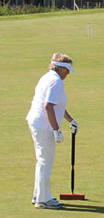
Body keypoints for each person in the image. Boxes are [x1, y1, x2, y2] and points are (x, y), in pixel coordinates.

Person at [26, 53, 79, 209]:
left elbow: (57, 105)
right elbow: (48, 106)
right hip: (44, 124)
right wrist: (56, 130)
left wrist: (71, 120)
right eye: (67, 71)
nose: (68, 74)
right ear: (61, 69)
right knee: (45, 160)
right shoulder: (56, 81)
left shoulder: (47, 77)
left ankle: (38, 193)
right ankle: (43, 200)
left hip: (37, 122)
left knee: (42, 159)